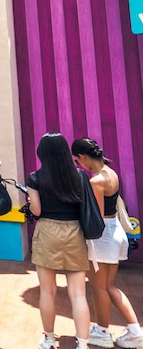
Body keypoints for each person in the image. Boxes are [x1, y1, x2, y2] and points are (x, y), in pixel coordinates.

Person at [72, 137, 143, 349]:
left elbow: (97, 216)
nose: (78, 165)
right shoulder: (111, 173)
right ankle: (134, 330)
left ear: (83, 157)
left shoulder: (96, 181)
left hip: (103, 236)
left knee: (99, 288)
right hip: (115, 232)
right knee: (109, 286)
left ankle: (103, 331)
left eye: (77, 161)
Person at [27, 133, 90, 349]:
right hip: (74, 230)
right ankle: (83, 343)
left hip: (47, 231)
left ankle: (49, 339)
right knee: (78, 292)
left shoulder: (35, 178)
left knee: (47, 290)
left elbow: (36, 210)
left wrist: (30, 199)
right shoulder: (80, 176)